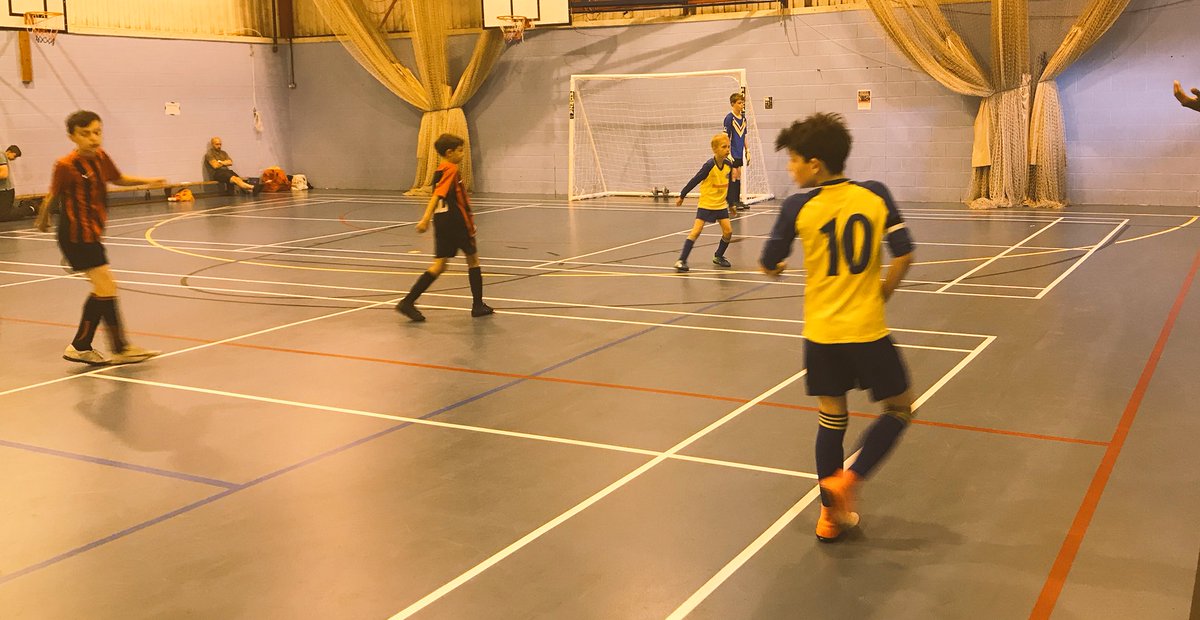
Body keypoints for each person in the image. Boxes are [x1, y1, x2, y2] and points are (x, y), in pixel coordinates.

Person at [759, 113, 917, 542]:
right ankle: (851, 478)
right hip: (867, 329)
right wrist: (882, 292)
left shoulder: (797, 206)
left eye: (793, 161)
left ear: (815, 164)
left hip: (822, 334)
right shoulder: (875, 194)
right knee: (900, 409)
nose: (790, 169)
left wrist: (778, 268)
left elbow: (769, 263)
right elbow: (904, 253)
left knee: (832, 419)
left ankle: (829, 517)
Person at [35, 110, 164, 365]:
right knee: (106, 286)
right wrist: (43, 218)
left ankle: (86, 345)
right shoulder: (65, 165)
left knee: (105, 288)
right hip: (74, 234)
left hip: (92, 233)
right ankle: (115, 347)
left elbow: (119, 178)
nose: (93, 138)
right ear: (72, 136)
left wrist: (149, 181)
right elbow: (52, 195)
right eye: (85, 134)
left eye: (97, 132)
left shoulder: (101, 157)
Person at [396, 133, 493, 322]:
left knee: (439, 265)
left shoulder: (439, 170)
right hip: (456, 223)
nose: (462, 154)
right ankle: (477, 305)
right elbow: (437, 196)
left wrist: (430, 220)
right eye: (460, 150)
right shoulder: (450, 169)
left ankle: (408, 301)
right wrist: (424, 218)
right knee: (473, 260)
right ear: (449, 152)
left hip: (442, 224)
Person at [673, 133, 735, 272]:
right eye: (724, 147)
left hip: (720, 205)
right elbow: (695, 180)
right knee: (696, 231)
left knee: (728, 232)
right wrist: (682, 195)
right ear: (715, 149)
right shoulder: (709, 166)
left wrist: (731, 204)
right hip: (706, 204)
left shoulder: (728, 165)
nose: (727, 150)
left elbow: (729, 185)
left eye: (728, 147)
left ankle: (718, 256)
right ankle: (681, 260)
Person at [723, 92, 749, 213]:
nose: (741, 105)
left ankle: (737, 199)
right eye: (739, 103)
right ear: (733, 104)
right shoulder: (729, 118)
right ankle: (731, 201)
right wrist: (727, 152)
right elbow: (725, 136)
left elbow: (744, 136)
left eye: (742, 102)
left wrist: (747, 151)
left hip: (740, 151)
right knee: (733, 174)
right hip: (732, 151)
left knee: (738, 174)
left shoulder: (743, 118)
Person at [0, 145, 25, 221]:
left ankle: (28, 208)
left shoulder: (1, 155)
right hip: (3, 190)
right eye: (14, 156)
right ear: (9, 152)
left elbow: (4, 174)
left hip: (6, 191)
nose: (14, 159)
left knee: (3, 216)